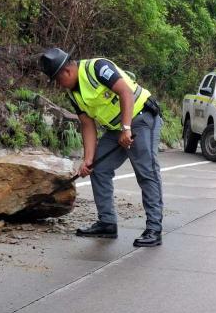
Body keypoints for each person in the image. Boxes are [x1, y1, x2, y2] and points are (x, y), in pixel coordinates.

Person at [39, 48, 163, 247]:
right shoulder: (74, 93)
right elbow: (87, 124)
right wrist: (88, 159)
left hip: (140, 117)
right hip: (117, 128)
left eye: (57, 79)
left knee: (146, 171)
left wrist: (126, 128)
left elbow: (125, 92)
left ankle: (154, 229)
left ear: (67, 72)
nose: (58, 84)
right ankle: (107, 223)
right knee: (98, 168)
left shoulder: (97, 68)